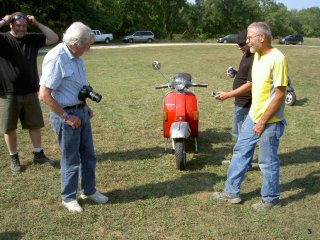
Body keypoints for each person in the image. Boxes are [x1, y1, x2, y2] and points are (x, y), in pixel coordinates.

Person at [212, 22, 288, 211]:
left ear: (261, 37)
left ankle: (270, 199)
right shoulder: (257, 57)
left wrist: (262, 122)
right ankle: (231, 192)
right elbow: (254, 84)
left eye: (250, 37)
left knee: (267, 162)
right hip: (252, 117)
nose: (247, 41)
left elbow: (279, 95)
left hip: (270, 122)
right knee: (240, 152)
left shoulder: (277, 58)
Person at [39, 22, 108, 213]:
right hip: (66, 116)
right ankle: (68, 197)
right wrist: (67, 116)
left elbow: (78, 87)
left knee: (88, 155)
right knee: (71, 159)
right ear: (76, 43)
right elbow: (44, 95)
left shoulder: (77, 58)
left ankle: (89, 190)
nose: (89, 48)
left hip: (80, 112)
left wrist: (84, 106)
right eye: (87, 45)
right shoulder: (57, 58)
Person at [0, 12, 59, 172]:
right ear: (11, 25)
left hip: (31, 90)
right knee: (9, 128)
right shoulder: (3, 39)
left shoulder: (31, 38)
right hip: (8, 92)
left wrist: (37, 23)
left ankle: (38, 154)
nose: (21, 29)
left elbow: (54, 38)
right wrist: (4, 20)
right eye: (18, 25)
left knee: (34, 125)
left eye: (24, 26)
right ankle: (14, 158)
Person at [215, 29, 254, 170]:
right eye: (238, 44)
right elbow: (246, 74)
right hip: (240, 101)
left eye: (242, 44)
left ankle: (242, 163)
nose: (240, 47)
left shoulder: (255, 57)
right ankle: (240, 161)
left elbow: (250, 84)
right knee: (239, 133)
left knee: (241, 134)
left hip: (245, 102)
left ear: (250, 41)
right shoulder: (247, 54)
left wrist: (228, 94)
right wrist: (236, 72)